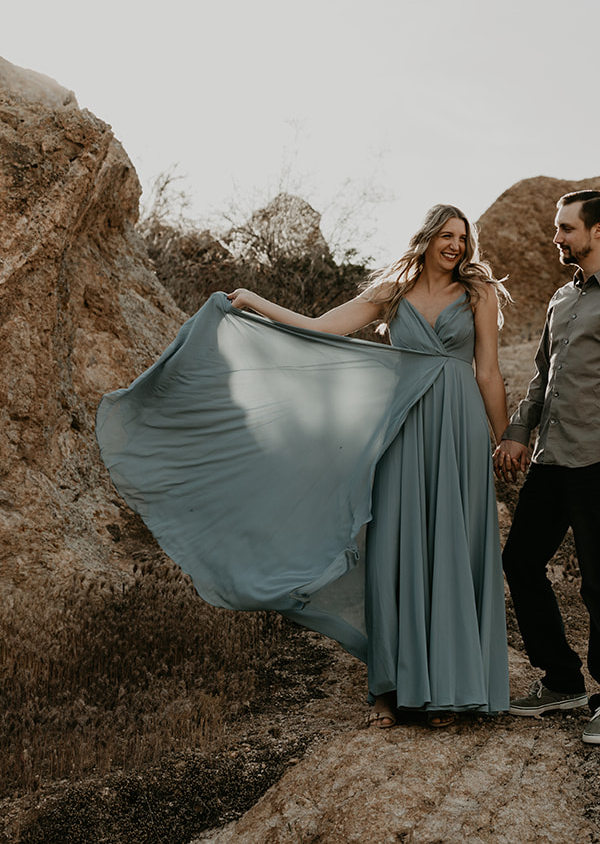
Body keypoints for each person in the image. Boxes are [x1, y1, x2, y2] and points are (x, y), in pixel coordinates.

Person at [96, 204, 512, 730]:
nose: (456, 245)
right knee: (394, 550)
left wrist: (507, 438)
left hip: (458, 430)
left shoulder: (478, 292)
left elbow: (489, 371)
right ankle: (392, 688)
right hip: (403, 429)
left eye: (462, 237)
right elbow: (320, 328)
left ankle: (451, 691)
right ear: (426, 239)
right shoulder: (392, 295)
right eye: (446, 236)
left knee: (451, 547)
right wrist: (252, 302)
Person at [494, 188, 600, 745]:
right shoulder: (559, 301)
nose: (557, 237)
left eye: (566, 228)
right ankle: (562, 678)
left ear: (599, 231)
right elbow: (542, 378)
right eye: (557, 227)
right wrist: (519, 433)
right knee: (519, 562)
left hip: (598, 460)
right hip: (550, 458)